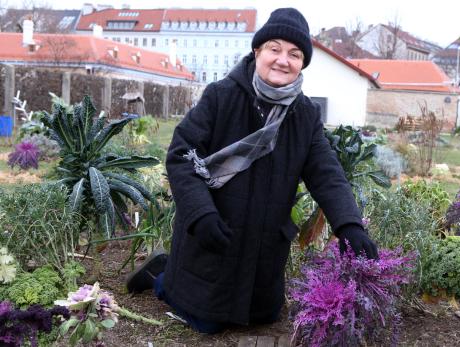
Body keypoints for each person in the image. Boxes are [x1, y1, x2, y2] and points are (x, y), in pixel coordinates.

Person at [125, 7, 378, 334]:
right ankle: (160, 276)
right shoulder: (221, 96)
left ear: (302, 63)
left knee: (262, 317)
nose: (282, 60)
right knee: (206, 321)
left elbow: (326, 173)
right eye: (274, 49)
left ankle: (174, 274)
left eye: (294, 54)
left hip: (264, 248)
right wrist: (201, 214)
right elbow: (181, 155)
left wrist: (349, 225)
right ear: (257, 51)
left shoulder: (305, 115)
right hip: (215, 233)